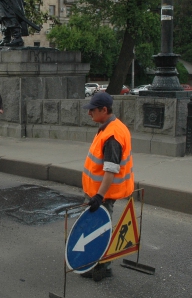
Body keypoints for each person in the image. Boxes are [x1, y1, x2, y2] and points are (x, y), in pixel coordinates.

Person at [81, 92, 134, 281]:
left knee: (101, 230)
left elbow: (110, 171)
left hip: (103, 195)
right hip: (100, 193)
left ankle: (103, 267)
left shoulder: (113, 135)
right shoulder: (110, 127)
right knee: (97, 229)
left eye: (92, 110)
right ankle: (98, 265)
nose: (89, 114)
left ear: (104, 110)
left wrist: (99, 197)